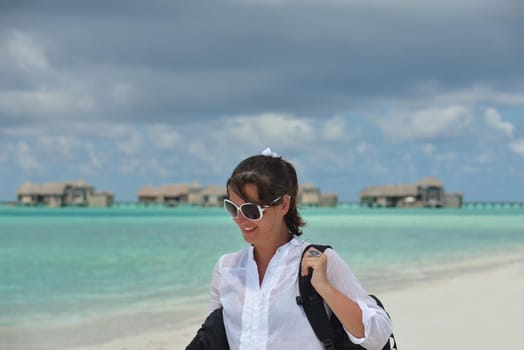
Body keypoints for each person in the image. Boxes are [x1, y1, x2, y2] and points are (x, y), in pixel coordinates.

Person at [208, 148, 392, 350]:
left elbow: (378, 336)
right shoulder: (226, 268)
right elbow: (212, 340)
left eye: (251, 210)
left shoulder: (320, 261)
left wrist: (325, 288)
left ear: (284, 205)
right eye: (232, 208)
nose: (240, 220)